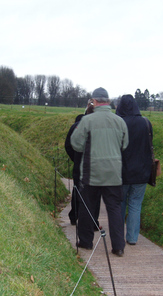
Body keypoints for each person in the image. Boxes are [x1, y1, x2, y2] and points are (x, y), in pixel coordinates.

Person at [71, 87, 129, 256]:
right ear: (108, 102)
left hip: (92, 171)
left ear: (94, 101)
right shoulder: (120, 121)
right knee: (115, 209)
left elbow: (76, 144)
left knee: (87, 207)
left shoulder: (87, 121)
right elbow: (124, 145)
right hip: (113, 173)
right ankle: (118, 246)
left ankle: (86, 241)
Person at [116, 94, 154, 245]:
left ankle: (118, 236)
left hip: (122, 172)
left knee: (120, 203)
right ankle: (132, 238)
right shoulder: (146, 122)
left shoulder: (118, 123)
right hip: (141, 171)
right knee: (136, 204)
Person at [64, 101, 96, 225]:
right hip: (94, 166)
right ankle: (92, 220)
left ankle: (74, 216)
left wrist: (75, 158)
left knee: (77, 190)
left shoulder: (76, 126)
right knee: (93, 195)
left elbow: (68, 145)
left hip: (79, 164)